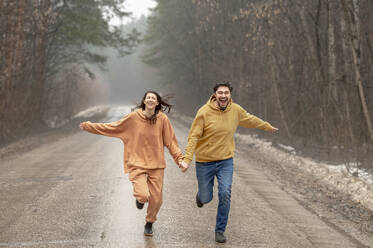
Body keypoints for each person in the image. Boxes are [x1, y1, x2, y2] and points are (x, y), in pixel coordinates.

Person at [79, 91, 188, 236]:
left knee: (157, 200)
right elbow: (113, 127)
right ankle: (140, 199)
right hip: (136, 163)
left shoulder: (162, 119)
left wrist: (180, 159)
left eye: (153, 98)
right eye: (148, 97)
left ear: (157, 103)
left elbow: (171, 142)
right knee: (143, 195)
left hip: (156, 165)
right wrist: (89, 126)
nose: (150, 100)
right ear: (144, 101)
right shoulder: (133, 117)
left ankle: (149, 223)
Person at [183, 82, 278, 243]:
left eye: (226, 93)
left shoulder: (236, 110)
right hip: (205, 162)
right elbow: (193, 137)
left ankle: (220, 230)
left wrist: (266, 126)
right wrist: (187, 159)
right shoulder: (203, 112)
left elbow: (250, 119)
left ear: (230, 95)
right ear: (215, 95)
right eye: (220, 93)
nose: (223, 96)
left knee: (225, 193)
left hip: (226, 161)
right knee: (206, 198)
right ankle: (201, 196)